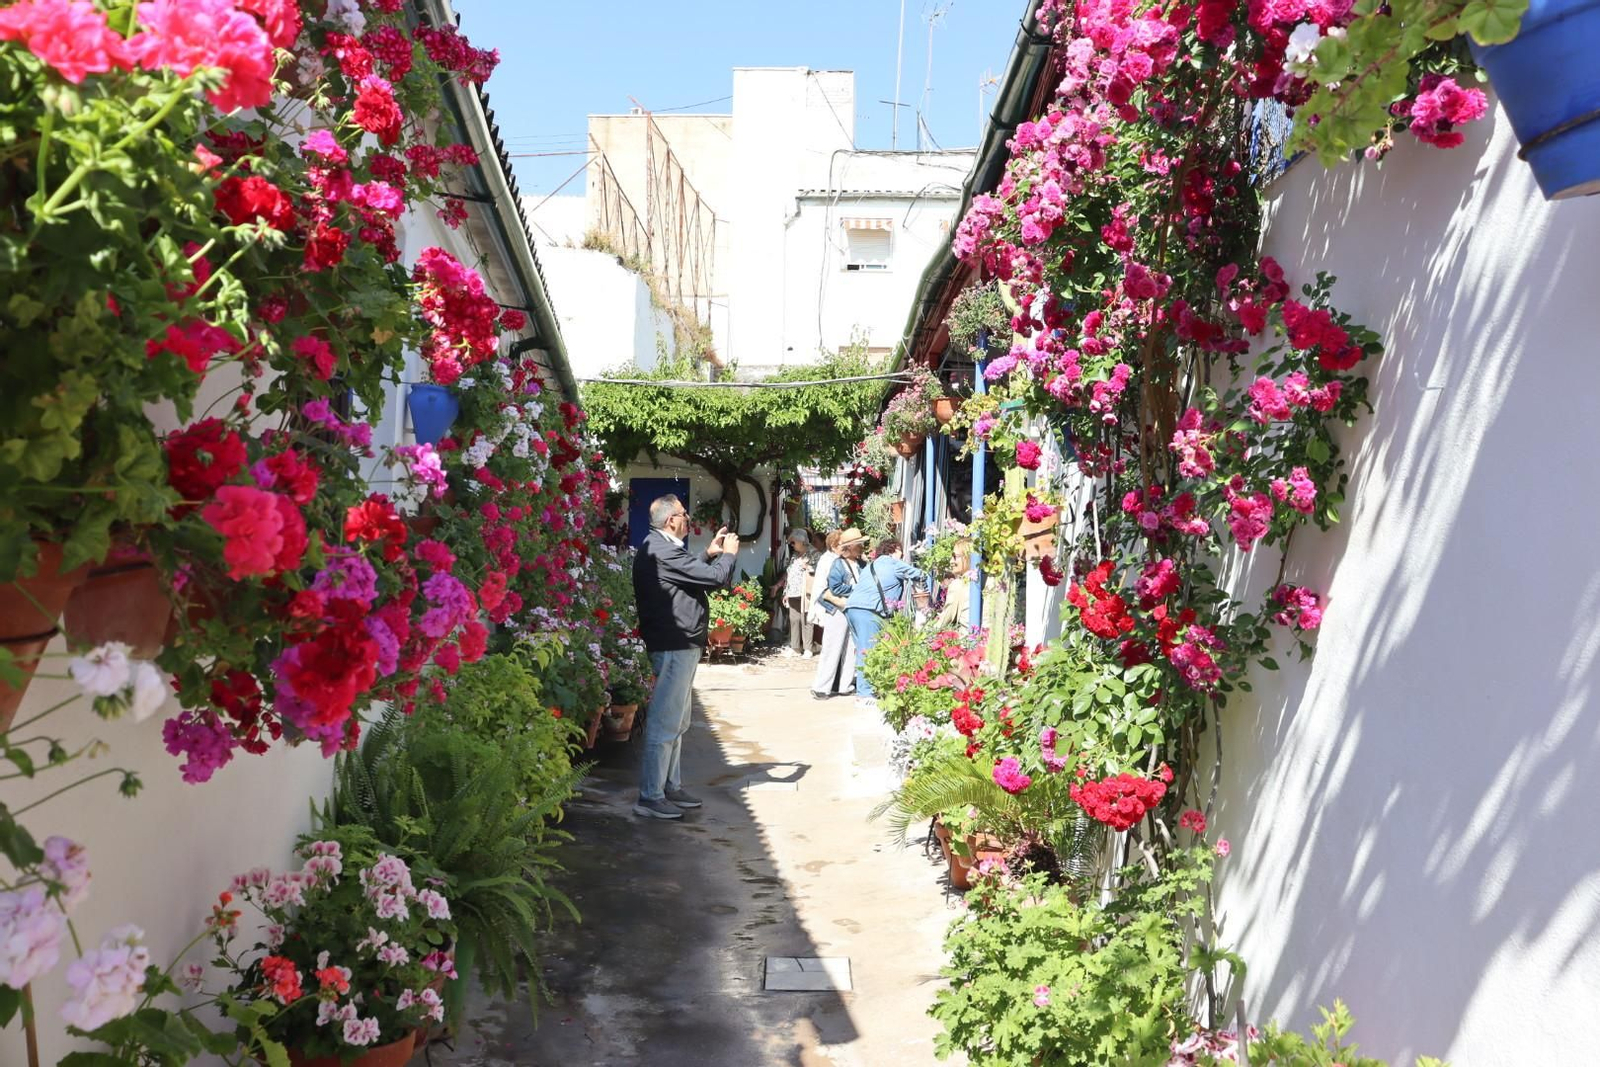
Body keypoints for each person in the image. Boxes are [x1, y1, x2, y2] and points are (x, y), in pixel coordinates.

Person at [631, 494, 739, 820]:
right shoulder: (660, 550)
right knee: (665, 722)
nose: (687, 517)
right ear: (670, 521)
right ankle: (651, 796)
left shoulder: (664, 547)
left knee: (677, 722)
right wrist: (729, 556)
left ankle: (669, 786)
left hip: (682, 643)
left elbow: (689, 574)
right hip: (673, 644)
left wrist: (708, 553)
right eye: (683, 513)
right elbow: (713, 579)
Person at [844, 537, 928, 703]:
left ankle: (867, 689)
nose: (902, 555)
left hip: (852, 608)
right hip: (868, 610)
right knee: (868, 651)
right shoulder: (892, 563)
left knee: (863, 650)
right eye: (900, 552)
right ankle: (865, 694)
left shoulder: (871, 566)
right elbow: (919, 574)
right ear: (893, 550)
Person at [810, 528, 866, 700]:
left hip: (852, 608)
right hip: (838, 610)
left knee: (851, 648)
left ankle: (845, 684)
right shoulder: (837, 564)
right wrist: (856, 589)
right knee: (832, 646)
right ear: (850, 547)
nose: (862, 547)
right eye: (859, 545)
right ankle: (822, 687)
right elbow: (835, 587)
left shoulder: (861, 564)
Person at [781, 528, 815, 658]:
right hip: (793, 592)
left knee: (806, 619)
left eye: (794, 542)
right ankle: (795, 647)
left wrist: (808, 567)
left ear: (802, 541)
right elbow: (790, 574)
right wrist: (786, 592)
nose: (792, 545)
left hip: (806, 592)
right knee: (794, 619)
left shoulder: (813, 553)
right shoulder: (795, 555)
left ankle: (808, 648)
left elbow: (820, 571)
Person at [935, 537, 975, 629]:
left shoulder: (958, 584)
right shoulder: (987, 581)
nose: (951, 561)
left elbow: (944, 621)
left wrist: (924, 636)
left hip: (966, 639)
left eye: (955, 556)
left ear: (967, 557)